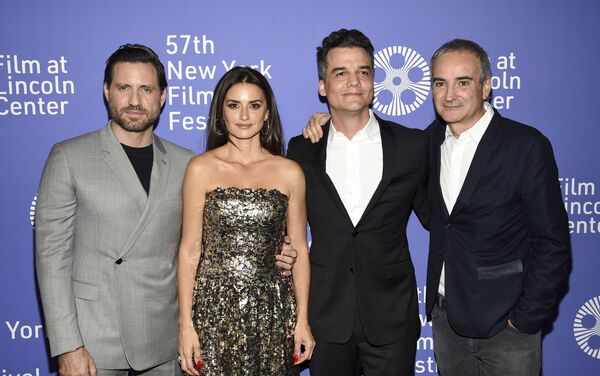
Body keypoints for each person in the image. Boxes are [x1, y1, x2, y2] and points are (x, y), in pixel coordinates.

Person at [35, 45, 297, 376]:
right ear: (106, 92)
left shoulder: (186, 162)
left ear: (162, 97)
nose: (134, 100)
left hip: (163, 339)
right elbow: (51, 259)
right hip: (94, 338)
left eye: (146, 89)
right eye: (123, 88)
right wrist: (67, 345)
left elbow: (215, 238)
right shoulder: (69, 157)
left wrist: (279, 251)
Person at [423, 39, 571, 376]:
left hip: (507, 326)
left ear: (486, 87)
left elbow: (552, 243)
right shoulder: (430, 142)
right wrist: (326, 123)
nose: (450, 94)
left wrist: (525, 318)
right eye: (439, 83)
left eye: (463, 82)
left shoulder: (526, 145)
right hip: (446, 321)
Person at [287, 29, 428, 376]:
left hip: (391, 315)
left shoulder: (411, 145)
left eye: (363, 72)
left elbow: (439, 216)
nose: (354, 81)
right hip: (325, 314)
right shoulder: (301, 149)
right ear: (323, 86)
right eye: (341, 73)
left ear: (374, 81)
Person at [177, 66, 314, 376]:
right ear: (220, 112)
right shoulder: (200, 169)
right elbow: (189, 251)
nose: (244, 116)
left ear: (267, 113)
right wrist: (186, 324)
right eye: (233, 105)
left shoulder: (289, 171)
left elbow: (300, 252)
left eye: (254, 105)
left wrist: (302, 320)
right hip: (213, 311)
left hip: (273, 311)